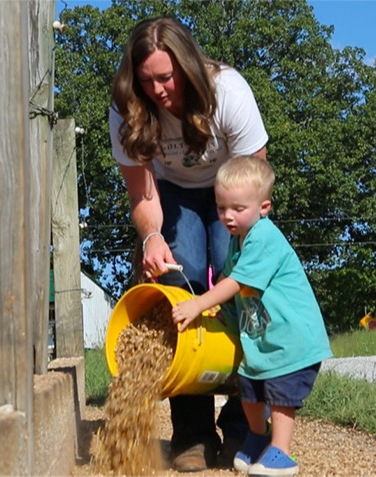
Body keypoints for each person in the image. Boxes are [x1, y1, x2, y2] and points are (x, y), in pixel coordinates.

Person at [108, 16, 269, 472]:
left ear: (188, 66)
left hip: (232, 189)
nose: (157, 90)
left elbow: (253, 176)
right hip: (171, 193)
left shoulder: (229, 93)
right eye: (146, 81)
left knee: (240, 288)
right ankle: (193, 433)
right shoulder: (126, 108)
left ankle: (243, 424)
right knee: (184, 283)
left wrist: (242, 234)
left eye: (166, 77)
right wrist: (153, 237)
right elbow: (141, 192)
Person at [172, 155, 333, 476]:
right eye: (221, 208)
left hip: (291, 340)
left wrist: (200, 303)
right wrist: (221, 309)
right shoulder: (237, 241)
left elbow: (236, 282)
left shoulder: (264, 238)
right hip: (264, 340)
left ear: (264, 207)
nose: (227, 216)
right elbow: (226, 282)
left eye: (238, 208)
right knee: (248, 389)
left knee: (281, 395)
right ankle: (258, 437)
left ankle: (282, 451)